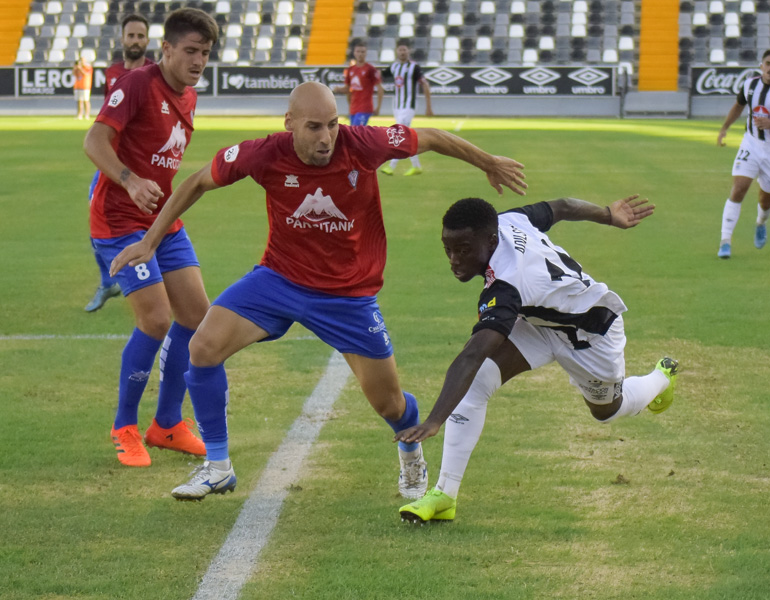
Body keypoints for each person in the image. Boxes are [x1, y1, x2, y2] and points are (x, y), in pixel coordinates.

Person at [109, 81, 527, 501]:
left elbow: (432, 138)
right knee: (203, 347)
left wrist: (488, 161)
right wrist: (150, 241)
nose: (326, 137)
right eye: (313, 127)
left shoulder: (363, 143)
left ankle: (410, 446)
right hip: (278, 279)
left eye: (332, 124)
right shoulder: (264, 153)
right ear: (289, 123)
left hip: (348, 296)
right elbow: (198, 181)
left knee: (391, 405)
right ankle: (218, 465)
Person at [394, 195, 679, 523]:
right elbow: (562, 207)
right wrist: (606, 215)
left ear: (489, 239)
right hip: (541, 322)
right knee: (477, 383)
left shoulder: (507, 284)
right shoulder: (509, 220)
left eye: (463, 250)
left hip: (591, 333)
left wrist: (434, 421)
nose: (454, 260)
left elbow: (472, 354)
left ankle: (661, 377)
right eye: (448, 249)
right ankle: (444, 495)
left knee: (607, 411)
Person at [84, 7, 219, 467]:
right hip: (119, 220)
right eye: (190, 51)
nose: (199, 60)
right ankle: (124, 426)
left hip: (161, 222)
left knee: (197, 315)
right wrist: (129, 179)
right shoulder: (138, 84)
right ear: (166, 49)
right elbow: (94, 141)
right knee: (157, 319)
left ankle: (165, 424)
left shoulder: (190, 95)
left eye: (205, 53)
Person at [84, 13, 156, 313]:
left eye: (141, 36)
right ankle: (107, 281)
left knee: (143, 221)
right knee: (95, 223)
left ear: (148, 41)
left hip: (143, 165)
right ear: (122, 39)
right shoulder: (112, 73)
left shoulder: (154, 74)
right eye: (131, 36)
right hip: (113, 164)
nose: (136, 41)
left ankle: (150, 281)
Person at [715, 49, 770, 257]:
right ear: (761, 66)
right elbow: (738, 106)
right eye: (768, 63)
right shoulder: (749, 85)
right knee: (738, 189)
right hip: (751, 143)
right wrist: (724, 128)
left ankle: (761, 222)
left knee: (765, 199)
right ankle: (725, 241)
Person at [379, 43, 433, 177]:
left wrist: (428, 106)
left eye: (405, 49)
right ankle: (416, 166)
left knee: (399, 133)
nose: (402, 52)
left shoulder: (414, 67)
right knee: (405, 135)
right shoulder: (394, 66)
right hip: (396, 106)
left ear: (409, 51)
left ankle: (391, 167)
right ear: (397, 51)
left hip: (409, 105)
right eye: (400, 49)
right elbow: (379, 75)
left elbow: (425, 84)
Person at [335, 39, 384, 127]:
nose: (360, 54)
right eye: (358, 51)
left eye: (362, 52)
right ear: (354, 53)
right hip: (353, 109)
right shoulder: (350, 70)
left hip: (365, 108)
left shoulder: (370, 69)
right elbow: (347, 89)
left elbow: (380, 88)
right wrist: (338, 90)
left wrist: (378, 107)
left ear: (366, 53)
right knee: (355, 135)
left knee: (356, 133)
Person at [72, 55, 93, 120]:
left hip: (85, 86)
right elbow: (73, 74)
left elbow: (86, 74)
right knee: (79, 101)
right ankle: (79, 114)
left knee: (86, 101)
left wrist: (80, 68)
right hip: (78, 86)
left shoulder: (88, 67)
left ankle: (87, 114)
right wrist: (75, 68)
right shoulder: (77, 68)